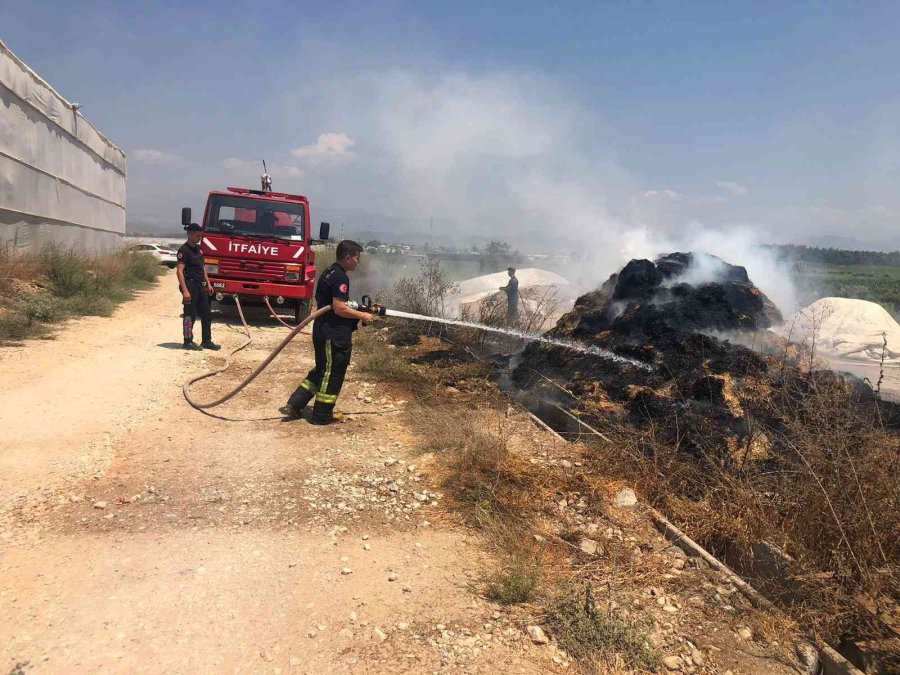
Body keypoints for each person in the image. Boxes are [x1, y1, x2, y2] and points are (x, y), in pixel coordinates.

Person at [284, 240, 374, 425]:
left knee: (322, 370)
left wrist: (359, 308)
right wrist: (362, 316)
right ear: (348, 258)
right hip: (334, 335)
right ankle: (322, 415)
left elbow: (334, 303)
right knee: (333, 373)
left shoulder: (329, 271)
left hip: (323, 330)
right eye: (357, 258)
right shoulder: (341, 277)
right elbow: (340, 308)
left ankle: (296, 403)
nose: (358, 262)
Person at [176, 223, 220, 351]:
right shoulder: (183, 251)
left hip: (201, 285)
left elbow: (202, 267)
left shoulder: (199, 249)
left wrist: (208, 283)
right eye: (197, 235)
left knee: (206, 314)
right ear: (189, 234)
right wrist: (185, 291)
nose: (199, 238)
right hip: (190, 285)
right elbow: (179, 271)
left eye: (200, 235)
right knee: (190, 314)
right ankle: (187, 341)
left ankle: (207, 340)